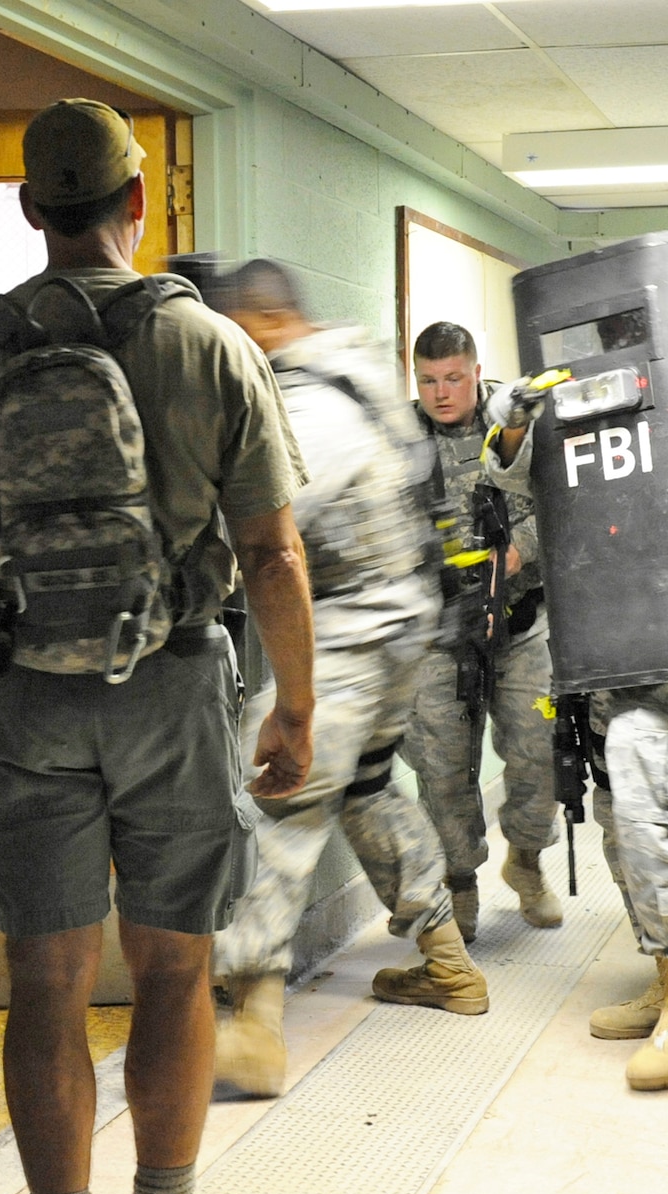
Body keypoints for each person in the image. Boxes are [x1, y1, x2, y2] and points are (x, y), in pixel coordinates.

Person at [0, 100, 316, 1194]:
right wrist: (293, 706)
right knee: (175, 970)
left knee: (46, 982)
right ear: (137, 206)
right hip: (174, 689)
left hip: (25, 695)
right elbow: (273, 554)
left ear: (31, 208)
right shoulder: (210, 345)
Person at [207, 261, 484, 1099]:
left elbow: (275, 524)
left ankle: (250, 1020)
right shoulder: (359, 373)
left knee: (276, 793)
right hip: (403, 624)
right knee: (365, 786)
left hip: (353, 627)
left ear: (263, 322)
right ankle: (446, 961)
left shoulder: (306, 401)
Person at [483, 355, 668, 1083]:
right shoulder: (600, 392)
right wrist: (520, 421)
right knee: (645, 810)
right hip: (632, 628)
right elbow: (524, 478)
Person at [400, 321, 563, 941]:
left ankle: (525, 860)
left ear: (476, 371)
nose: (441, 393)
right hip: (440, 632)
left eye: (453, 378)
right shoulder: (400, 436)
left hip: (520, 624)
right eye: (428, 380)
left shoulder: (515, 422)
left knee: (537, 750)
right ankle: (459, 883)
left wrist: (518, 551)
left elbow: (562, 506)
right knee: (442, 768)